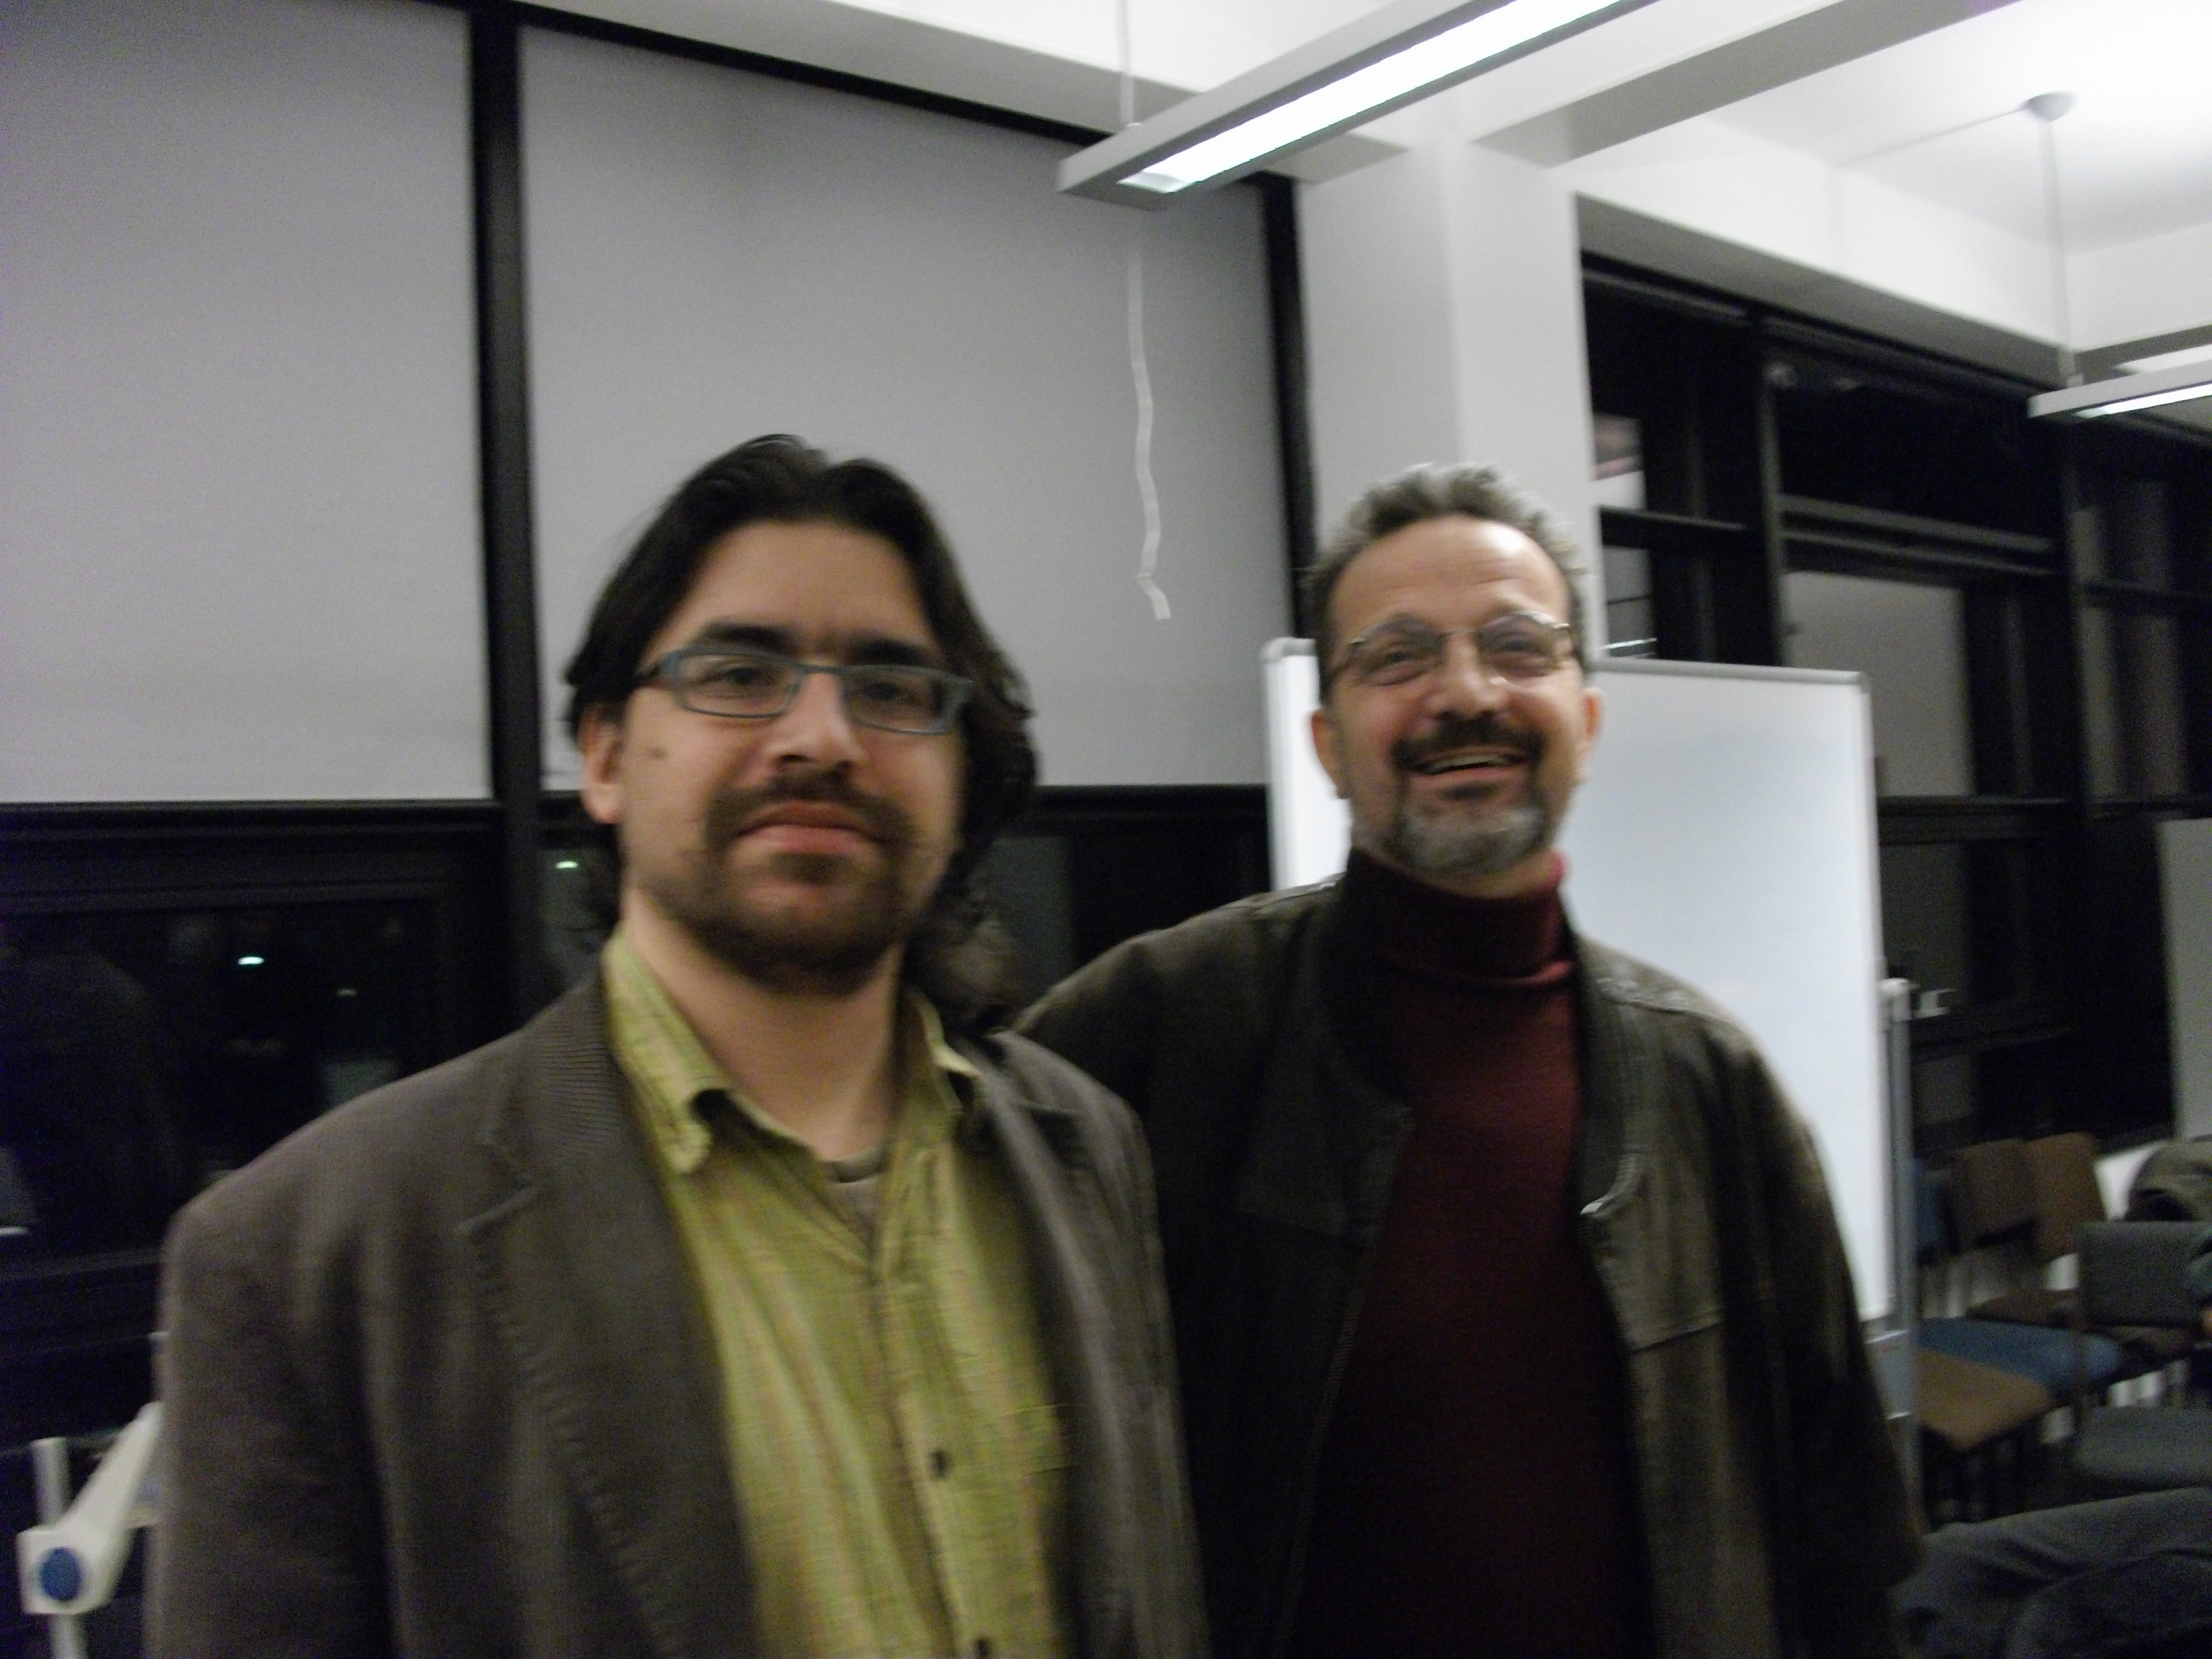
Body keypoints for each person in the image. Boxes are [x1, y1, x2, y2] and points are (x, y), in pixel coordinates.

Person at [152, 436, 1206, 1659]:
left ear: (961, 777)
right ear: (605, 755)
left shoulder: (1084, 1150)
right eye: (740, 673)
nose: (822, 737)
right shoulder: (311, 1257)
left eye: (891, 689)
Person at [1021, 462, 1921, 1659]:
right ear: (1327, 743)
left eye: (1515, 647)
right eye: (1396, 658)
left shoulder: (1711, 1086)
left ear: (1584, 721)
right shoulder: (1155, 1029)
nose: (1464, 693)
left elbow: (1842, 1541)